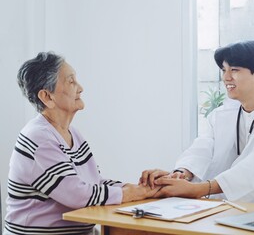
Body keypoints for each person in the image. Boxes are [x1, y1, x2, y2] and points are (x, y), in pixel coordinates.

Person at [4, 52, 160, 235]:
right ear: (47, 97)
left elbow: (93, 183)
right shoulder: (38, 138)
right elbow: (77, 194)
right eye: (71, 82)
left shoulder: (71, 133)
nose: (80, 88)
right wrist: (133, 193)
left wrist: (134, 187)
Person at [139, 41, 254, 204]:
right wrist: (181, 173)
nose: (226, 77)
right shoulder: (221, 114)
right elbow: (202, 148)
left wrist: (199, 189)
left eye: (234, 70)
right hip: (221, 206)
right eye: (224, 70)